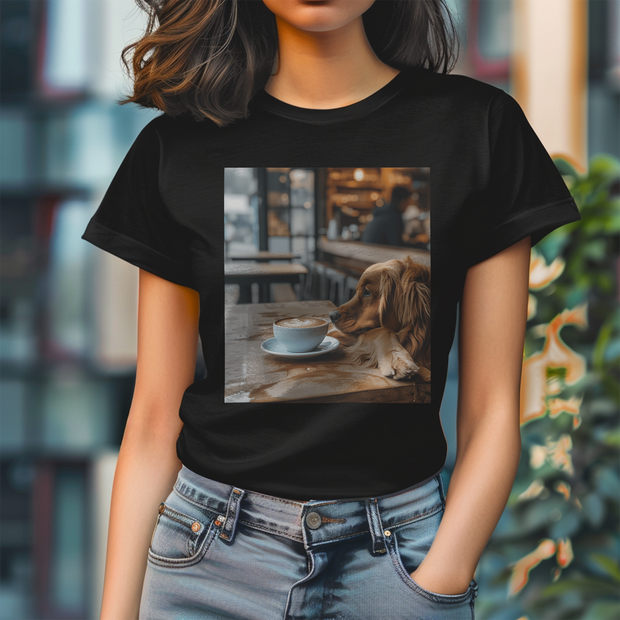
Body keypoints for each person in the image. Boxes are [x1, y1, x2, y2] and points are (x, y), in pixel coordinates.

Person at [80, 1, 582, 618]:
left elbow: (494, 411)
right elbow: (155, 420)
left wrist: (441, 578)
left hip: (400, 558)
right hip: (210, 556)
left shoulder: (477, 128)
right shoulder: (175, 149)